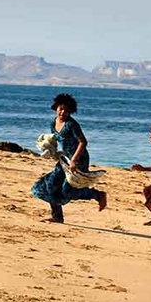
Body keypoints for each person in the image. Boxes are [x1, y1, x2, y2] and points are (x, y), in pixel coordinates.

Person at [31, 93, 107, 222]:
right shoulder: (53, 123)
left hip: (79, 159)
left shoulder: (72, 124)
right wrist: (49, 149)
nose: (63, 112)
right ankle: (57, 217)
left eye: (67, 110)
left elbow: (83, 142)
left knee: (68, 191)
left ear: (71, 111)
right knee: (50, 184)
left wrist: (74, 160)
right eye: (61, 109)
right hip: (64, 158)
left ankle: (98, 195)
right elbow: (56, 139)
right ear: (56, 108)